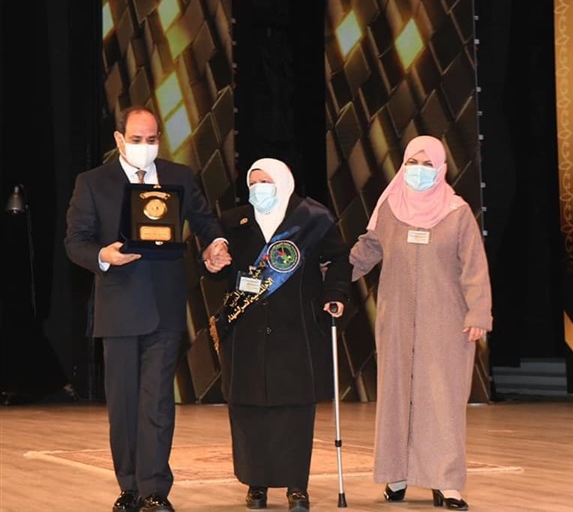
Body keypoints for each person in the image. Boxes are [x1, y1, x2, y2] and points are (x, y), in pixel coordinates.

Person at [64, 106, 231, 512]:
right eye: (137, 140)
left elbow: (204, 222)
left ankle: (155, 489)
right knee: (124, 403)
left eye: (152, 139)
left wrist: (216, 245)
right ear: (119, 140)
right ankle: (129, 487)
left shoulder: (179, 176)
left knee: (157, 402)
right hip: (119, 307)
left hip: (164, 306)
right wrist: (103, 255)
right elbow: (76, 242)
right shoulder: (93, 182)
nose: (145, 146)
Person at [349, 135, 492, 511]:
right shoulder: (389, 209)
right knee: (396, 396)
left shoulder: (457, 212)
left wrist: (479, 312)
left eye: (427, 164)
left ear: (441, 168)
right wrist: (323, 279)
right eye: (412, 162)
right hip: (396, 322)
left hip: (446, 323)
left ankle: (447, 482)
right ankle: (396, 475)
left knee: (443, 401)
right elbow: (365, 253)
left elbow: (474, 267)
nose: (419, 170)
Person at [206, 158, 351, 512]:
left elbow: (340, 259)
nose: (259, 188)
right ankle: (255, 483)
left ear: (284, 182)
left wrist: (335, 295)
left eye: (265, 181)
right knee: (249, 408)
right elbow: (214, 267)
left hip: (296, 328)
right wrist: (211, 262)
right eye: (253, 182)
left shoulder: (312, 219)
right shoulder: (232, 221)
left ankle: (296, 486)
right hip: (245, 331)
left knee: (294, 410)